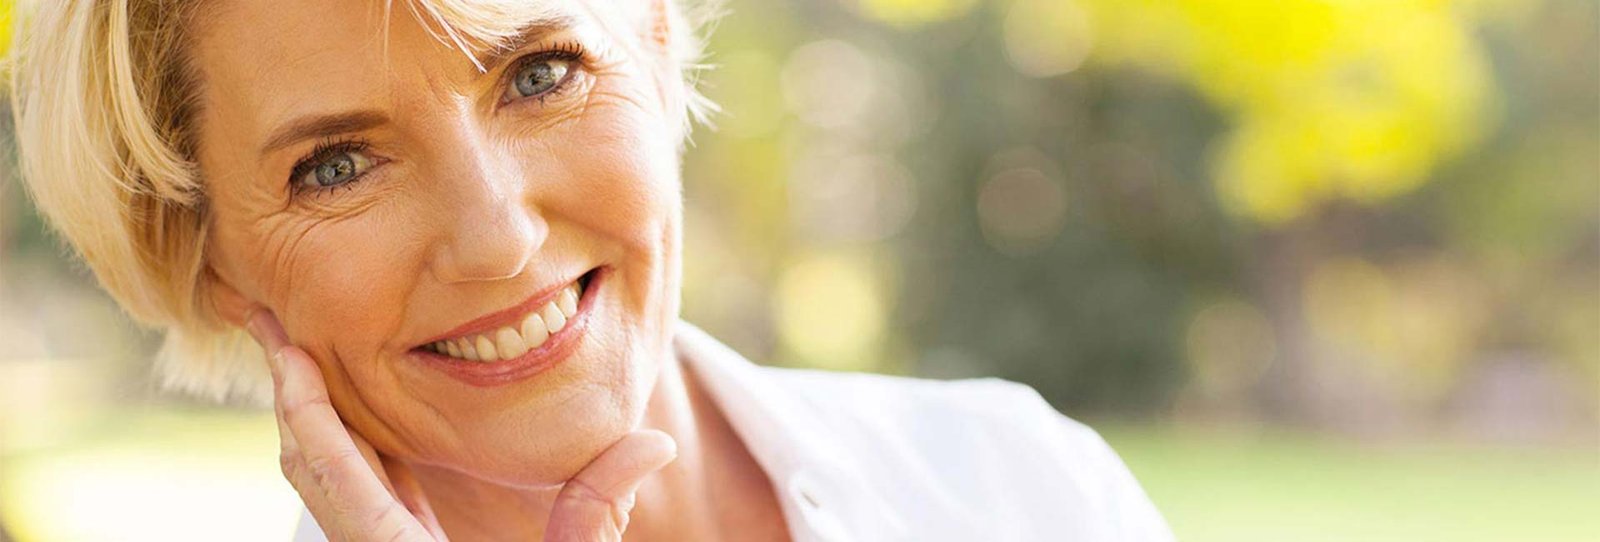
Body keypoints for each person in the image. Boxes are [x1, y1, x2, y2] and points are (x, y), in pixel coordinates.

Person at [8, 0, 1174, 540]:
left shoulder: (1023, 487)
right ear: (205, 254)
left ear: (660, 45)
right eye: (339, 163)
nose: (500, 237)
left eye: (539, 75)